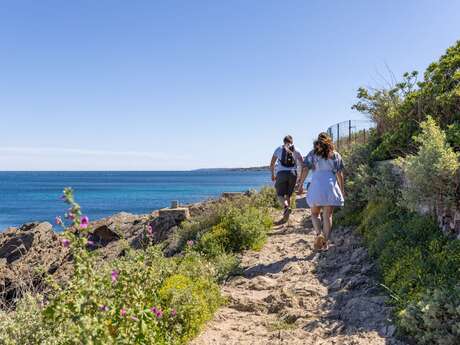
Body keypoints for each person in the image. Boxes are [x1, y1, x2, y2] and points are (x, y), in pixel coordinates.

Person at [298, 132, 345, 250]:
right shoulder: (335, 155)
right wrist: (342, 191)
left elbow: (305, 169)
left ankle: (318, 234)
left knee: (314, 213)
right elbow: (340, 174)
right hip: (330, 186)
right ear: (329, 141)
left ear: (318, 141)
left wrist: (300, 185)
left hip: (316, 185)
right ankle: (326, 242)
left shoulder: (312, 154)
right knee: (328, 216)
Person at [270, 135, 304, 222]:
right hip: (293, 174)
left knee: (280, 195)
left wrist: (273, 175)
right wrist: (300, 178)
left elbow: (272, 163)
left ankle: (286, 207)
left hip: (281, 173)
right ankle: (286, 218)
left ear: (283, 141)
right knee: (288, 195)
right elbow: (302, 164)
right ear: (292, 141)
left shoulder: (279, 149)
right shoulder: (297, 150)